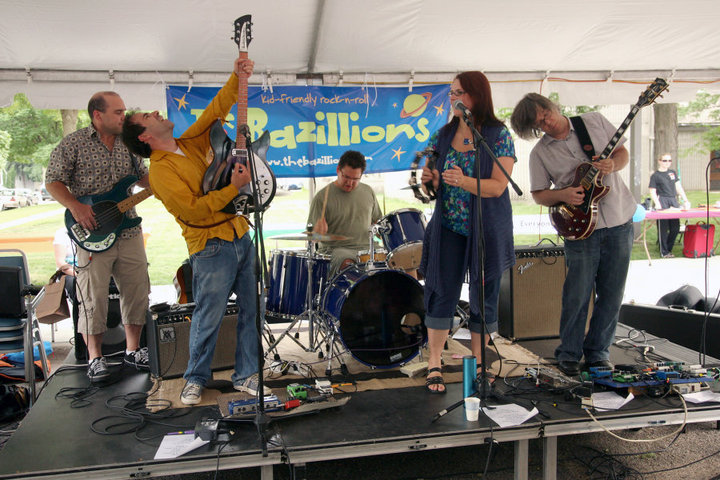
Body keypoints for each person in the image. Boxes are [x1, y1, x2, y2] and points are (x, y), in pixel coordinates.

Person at [122, 57, 270, 406]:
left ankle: (247, 374)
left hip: (240, 234)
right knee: (209, 315)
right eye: (149, 117)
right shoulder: (159, 173)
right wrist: (235, 188)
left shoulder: (188, 143)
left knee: (253, 309)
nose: (157, 114)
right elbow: (193, 211)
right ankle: (195, 378)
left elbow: (216, 109)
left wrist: (237, 76)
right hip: (210, 246)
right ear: (145, 137)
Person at [510, 93, 635, 376]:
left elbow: (622, 153)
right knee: (577, 295)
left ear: (550, 105)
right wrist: (564, 194)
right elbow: (540, 195)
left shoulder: (593, 121)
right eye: (538, 125)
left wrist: (613, 165)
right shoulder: (540, 153)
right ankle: (568, 353)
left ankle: (598, 354)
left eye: (545, 115)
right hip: (579, 230)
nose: (546, 124)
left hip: (618, 219)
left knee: (612, 294)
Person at [419, 72, 516, 393]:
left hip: (486, 229)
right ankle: (434, 362)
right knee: (441, 291)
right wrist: (428, 180)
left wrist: (464, 181)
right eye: (450, 92)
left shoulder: (497, 135)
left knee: (482, 295)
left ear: (476, 95)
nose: (453, 97)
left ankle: (477, 362)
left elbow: (499, 186)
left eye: (459, 92)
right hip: (448, 226)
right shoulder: (443, 135)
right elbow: (430, 178)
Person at [46, 92, 151, 382]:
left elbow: (142, 178)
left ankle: (133, 351)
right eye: (118, 112)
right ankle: (95, 358)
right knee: (92, 297)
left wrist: (167, 177)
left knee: (137, 289)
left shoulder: (129, 144)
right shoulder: (73, 143)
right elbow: (52, 181)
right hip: (90, 233)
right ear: (97, 115)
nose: (123, 116)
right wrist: (76, 206)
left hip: (128, 228)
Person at [307, 150, 383, 276]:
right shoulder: (322, 197)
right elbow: (312, 237)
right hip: (336, 250)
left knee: (389, 261)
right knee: (348, 264)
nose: (350, 183)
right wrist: (317, 232)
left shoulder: (368, 191)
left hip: (367, 247)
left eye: (355, 179)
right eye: (346, 177)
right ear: (338, 170)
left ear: (361, 175)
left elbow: (378, 222)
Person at [649, 153, 691, 258]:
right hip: (662, 200)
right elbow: (652, 191)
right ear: (659, 161)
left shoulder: (672, 173)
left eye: (669, 160)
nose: (667, 163)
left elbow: (678, 187)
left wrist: (685, 200)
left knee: (675, 227)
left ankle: (668, 248)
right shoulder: (655, 176)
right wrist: (657, 203)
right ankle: (664, 252)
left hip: (673, 200)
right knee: (663, 228)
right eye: (665, 160)